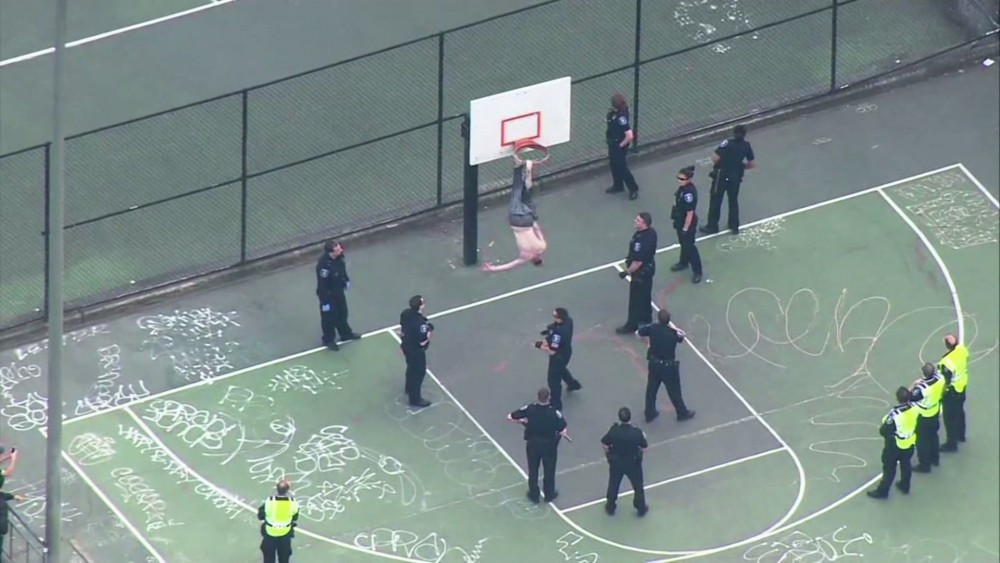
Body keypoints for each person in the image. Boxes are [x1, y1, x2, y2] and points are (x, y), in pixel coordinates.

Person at [482, 153, 547, 272]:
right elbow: (510, 265)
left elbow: (537, 229)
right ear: (532, 260)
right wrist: (492, 268)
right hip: (516, 223)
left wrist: (533, 218)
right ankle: (518, 166)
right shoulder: (525, 256)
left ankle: (527, 179)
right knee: (517, 191)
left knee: (525, 196)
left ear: (541, 257)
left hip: (528, 221)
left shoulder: (542, 247)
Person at [507, 388, 569, 504]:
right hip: (549, 445)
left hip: (533, 444)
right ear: (548, 397)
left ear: (538, 397)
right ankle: (549, 494)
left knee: (533, 469)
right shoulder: (553, 412)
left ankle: (534, 494)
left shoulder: (530, 409)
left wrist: (523, 422)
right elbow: (563, 429)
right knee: (549, 470)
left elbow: (510, 417)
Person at [638, 309, 696, 423]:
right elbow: (681, 337)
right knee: (674, 390)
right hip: (668, 367)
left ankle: (649, 413)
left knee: (651, 389)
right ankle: (682, 412)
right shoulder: (672, 334)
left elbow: (639, 332)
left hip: (654, 364)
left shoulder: (652, 328)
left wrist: (649, 344)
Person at [701, 124, 755, 235]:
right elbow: (751, 164)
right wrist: (740, 165)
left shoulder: (727, 143)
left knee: (716, 200)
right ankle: (734, 225)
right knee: (733, 200)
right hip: (735, 177)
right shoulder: (746, 146)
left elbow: (715, 158)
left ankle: (712, 226)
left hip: (721, 175)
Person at [867, 387, 919, 499]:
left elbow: (884, 430)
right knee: (906, 465)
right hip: (909, 441)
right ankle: (905, 485)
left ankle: (883, 491)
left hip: (895, 444)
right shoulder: (915, 408)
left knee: (889, 468)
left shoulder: (895, 415)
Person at [601, 407, 649, 516]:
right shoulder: (637, 433)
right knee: (638, 486)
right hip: (633, 463)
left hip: (617, 462)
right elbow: (645, 448)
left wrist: (609, 453)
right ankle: (640, 508)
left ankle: (610, 506)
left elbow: (604, 443)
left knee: (614, 484)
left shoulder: (614, 431)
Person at [315, 241, 361, 350]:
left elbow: (342, 270)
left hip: (338, 291)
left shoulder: (339, 258)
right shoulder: (324, 266)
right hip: (328, 295)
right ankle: (328, 340)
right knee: (329, 319)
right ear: (331, 252)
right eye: (338, 250)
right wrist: (325, 301)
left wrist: (346, 280)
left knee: (342, 313)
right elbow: (322, 285)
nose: (341, 250)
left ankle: (345, 334)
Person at [616, 212, 657, 334]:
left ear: (644, 224)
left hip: (640, 273)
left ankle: (632, 324)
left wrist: (626, 272)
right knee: (645, 295)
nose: (635, 221)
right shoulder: (652, 233)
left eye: (638, 220)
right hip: (649, 269)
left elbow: (638, 262)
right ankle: (647, 318)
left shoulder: (641, 241)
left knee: (635, 300)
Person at [535, 307, 582, 411]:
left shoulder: (558, 335)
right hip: (566, 352)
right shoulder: (568, 321)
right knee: (561, 369)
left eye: (555, 316)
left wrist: (539, 346)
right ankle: (572, 384)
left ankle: (556, 405)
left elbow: (552, 351)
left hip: (558, 357)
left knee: (553, 381)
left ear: (560, 318)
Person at [669, 166, 704, 284]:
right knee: (683, 243)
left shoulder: (689, 194)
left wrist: (685, 229)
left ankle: (698, 271)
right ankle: (683, 262)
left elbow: (690, 213)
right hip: (680, 220)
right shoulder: (682, 189)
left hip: (687, 223)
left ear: (689, 179)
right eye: (678, 178)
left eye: (682, 179)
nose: (679, 180)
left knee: (690, 247)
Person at [400, 295, 433, 408]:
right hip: (416, 350)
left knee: (411, 368)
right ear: (420, 306)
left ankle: (408, 388)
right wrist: (429, 331)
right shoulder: (420, 323)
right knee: (418, 373)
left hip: (406, 345)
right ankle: (415, 398)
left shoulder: (405, 313)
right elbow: (422, 341)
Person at [604, 93, 640, 200]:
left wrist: (620, 145)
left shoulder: (621, 118)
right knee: (613, 164)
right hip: (613, 142)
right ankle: (618, 185)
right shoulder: (617, 113)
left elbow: (629, 136)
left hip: (619, 144)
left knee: (622, 167)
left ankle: (633, 188)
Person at [910, 362, 944, 473]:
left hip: (923, 415)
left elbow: (909, 398)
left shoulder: (922, 388)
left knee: (922, 441)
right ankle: (935, 458)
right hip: (935, 411)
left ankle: (925, 465)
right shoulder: (940, 379)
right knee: (933, 436)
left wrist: (914, 384)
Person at [938, 333, 969, 452]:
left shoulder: (947, 362)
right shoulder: (962, 350)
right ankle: (961, 435)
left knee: (950, 418)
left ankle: (952, 443)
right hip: (962, 386)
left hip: (952, 391)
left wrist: (942, 392)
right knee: (960, 412)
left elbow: (946, 380)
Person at [258, 478, 299, 563]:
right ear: (288, 490)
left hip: (270, 532)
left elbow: (261, 515)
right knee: (284, 558)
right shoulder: (292, 503)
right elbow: (295, 517)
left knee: (269, 558)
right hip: (285, 533)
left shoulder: (270, 501)